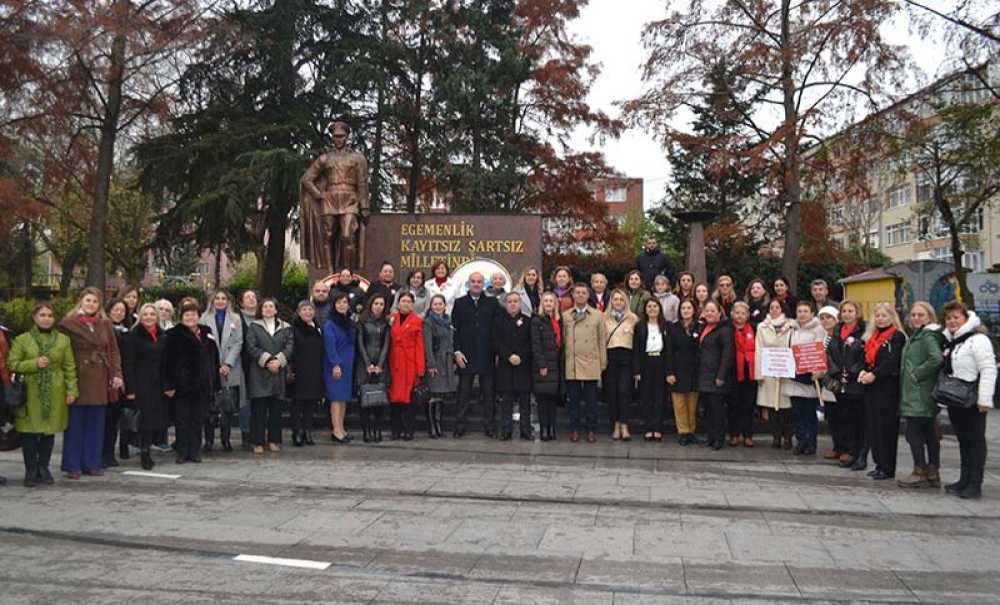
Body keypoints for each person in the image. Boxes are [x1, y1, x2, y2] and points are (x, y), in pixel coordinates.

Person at [8, 303, 78, 486]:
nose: (46, 318)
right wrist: (33, 363)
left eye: (50, 315)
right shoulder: (22, 339)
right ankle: (31, 470)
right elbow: (12, 364)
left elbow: (69, 367)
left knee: (49, 431)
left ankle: (43, 468)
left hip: (55, 390)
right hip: (30, 391)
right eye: (42, 315)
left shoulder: (63, 340)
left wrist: (72, 390)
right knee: (29, 433)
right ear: (34, 317)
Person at [59, 287, 123, 479]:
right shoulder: (68, 324)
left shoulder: (105, 324)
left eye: (95, 302)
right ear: (81, 301)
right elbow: (63, 351)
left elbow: (113, 350)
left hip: (101, 377)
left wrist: (117, 373)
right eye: (88, 301)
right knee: (75, 423)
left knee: (96, 423)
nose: (91, 305)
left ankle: (92, 462)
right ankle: (72, 464)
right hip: (78, 375)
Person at [938, 301, 995, 499]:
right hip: (957, 399)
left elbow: (988, 368)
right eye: (949, 318)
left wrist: (985, 398)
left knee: (975, 441)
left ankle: (974, 483)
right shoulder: (953, 340)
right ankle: (964, 479)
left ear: (966, 318)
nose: (952, 321)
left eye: (956, 317)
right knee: (963, 440)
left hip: (974, 399)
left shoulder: (978, 339)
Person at [163, 298, 219, 464]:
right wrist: (169, 385)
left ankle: (195, 451)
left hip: (202, 385)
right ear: (181, 317)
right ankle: (182, 452)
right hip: (181, 386)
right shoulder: (172, 335)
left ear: (199, 316)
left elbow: (214, 358)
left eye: (193, 314)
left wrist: (215, 383)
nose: (190, 318)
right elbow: (166, 362)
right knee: (182, 420)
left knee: (197, 420)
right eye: (186, 315)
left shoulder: (207, 332)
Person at [897, 302, 944, 489]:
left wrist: (917, 373)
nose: (916, 318)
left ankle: (920, 470)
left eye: (921, 315)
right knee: (929, 432)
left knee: (913, 433)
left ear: (929, 317)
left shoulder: (927, 336)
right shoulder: (919, 335)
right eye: (914, 315)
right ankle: (933, 470)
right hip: (919, 391)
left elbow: (936, 358)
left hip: (920, 392)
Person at [858, 302, 906, 480]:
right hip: (872, 386)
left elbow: (892, 361)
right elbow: (867, 357)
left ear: (892, 317)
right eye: (877, 315)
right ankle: (878, 463)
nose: (880, 318)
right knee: (874, 426)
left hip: (887, 387)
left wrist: (875, 374)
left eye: (884, 315)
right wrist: (864, 370)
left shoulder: (897, 336)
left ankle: (887, 466)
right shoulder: (872, 336)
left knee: (886, 428)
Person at [451, 272, 501, 437]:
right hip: (465, 355)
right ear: (468, 284)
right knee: (463, 394)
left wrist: (497, 353)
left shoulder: (492, 303)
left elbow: (497, 330)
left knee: (488, 394)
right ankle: (460, 426)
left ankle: (490, 426)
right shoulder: (459, 303)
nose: (476, 284)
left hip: (487, 354)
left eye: (479, 282)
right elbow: (454, 331)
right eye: (473, 281)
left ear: (483, 284)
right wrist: (457, 352)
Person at [245, 298, 294, 454]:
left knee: (275, 409)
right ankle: (257, 441)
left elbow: (290, 346)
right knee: (259, 409)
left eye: (271, 306)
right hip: (259, 372)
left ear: (276, 310)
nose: (268, 309)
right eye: (265, 306)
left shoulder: (286, 327)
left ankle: (274, 440)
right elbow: (251, 346)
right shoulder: (254, 327)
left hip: (278, 372)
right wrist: (267, 361)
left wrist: (278, 362)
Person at [123, 304, 169, 470]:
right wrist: (130, 389)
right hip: (140, 383)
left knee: (153, 420)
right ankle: (143, 452)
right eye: (145, 314)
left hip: (157, 384)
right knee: (142, 420)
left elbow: (166, 362)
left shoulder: (163, 336)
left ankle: (148, 448)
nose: (149, 317)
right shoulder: (132, 336)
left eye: (152, 314)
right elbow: (128, 364)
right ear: (140, 317)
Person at [786, 301, 834, 456]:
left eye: (805, 311)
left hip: (809, 377)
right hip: (794, 376)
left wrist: (818, 370)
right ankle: (800, 441)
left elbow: (820, 351)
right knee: (797, 413)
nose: (802, 314)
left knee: (809, 413)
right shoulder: (792, 329)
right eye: (799, 311)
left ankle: (810, 443)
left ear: (812, 313)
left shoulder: (819, 329)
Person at [199, 290, 244, 453]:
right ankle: (209, 440)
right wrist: (215, 364)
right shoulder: (203, 318)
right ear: (212, 301)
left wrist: (227, 364)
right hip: (210, 367)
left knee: (228, 407)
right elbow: (203, 343)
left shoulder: (236, 319)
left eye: (223, 298)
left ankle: (226, 439)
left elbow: (239, 342)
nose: (220, 301)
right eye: (216, 298)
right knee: (210, 405)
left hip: (230, 368)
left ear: (228, 301)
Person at [563, 283, 607, 443]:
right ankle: (574, 429)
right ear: (573, 295)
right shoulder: (566, 315)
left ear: (588, 296)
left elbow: (602, 340)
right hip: (573, 363)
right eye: (577, 293)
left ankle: (591, 429)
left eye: (583, 293)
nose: (580, 295)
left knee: (591, 401)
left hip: (591, 362)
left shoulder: (597, 315)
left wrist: (602, 363)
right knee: (573, 400)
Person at [826, 301, 867, 470]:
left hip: (855, 381)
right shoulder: (836, 331)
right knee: (844, 417)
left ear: (857, 313)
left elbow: (865, 355)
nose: (847, 314)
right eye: (844, 311)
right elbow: (828, 354)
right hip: (839, 382)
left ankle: (857, 453)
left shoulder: (863, 332)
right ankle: (847, 450)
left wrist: (851, 373)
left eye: (851, 311)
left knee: (857, 420)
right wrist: (836, 373)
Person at [492, 292, 533, 440]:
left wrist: (520, 356)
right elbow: (496, 342)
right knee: (506, 402)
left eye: (516, 301)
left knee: (525, 402)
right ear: (505, 304)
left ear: (520, 303)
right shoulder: (498, 321)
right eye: (510, 301)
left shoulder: (528, 321)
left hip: (523, 366)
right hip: (505, 366)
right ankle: (506, 430)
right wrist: (509, 356)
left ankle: (526, 430)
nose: (513, 304)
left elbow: (531, 343)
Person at [755, 299, 793, 449]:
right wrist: (759, 374)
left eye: (777, 307)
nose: (774, 310)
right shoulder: (762, 326)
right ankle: (776, 437)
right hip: (769, 371)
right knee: (771, 408)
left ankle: (788, 436)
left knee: (786, 408)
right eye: (772, 307)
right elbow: (758, 349)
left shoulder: (791, 325)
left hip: (785, 371)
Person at [388, 292, 425, 440]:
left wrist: (420, 368)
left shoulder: (417, 321)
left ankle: (408, 430)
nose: (406, 304)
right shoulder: (392, 319)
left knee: (409, 399)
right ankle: (395, 430)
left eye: (409, 301)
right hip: (394, 362)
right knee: (394, 398)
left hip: (410, 363)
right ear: (398, 303)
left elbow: (420, 346)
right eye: (403, 301)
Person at [698, 301, 733, 450]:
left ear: (720, 313)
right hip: (704, 375)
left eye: (713, 311)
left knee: (717, 410)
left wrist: (721, 375)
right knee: (708, 410)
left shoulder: (725, 330)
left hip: (716, 376)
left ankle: (719, 439)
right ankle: (711, 437)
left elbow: (727, 355)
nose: (710, 313)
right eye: (707, 311)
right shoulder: (704, 327)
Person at [604, 289, 638, 441]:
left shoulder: (633, 319)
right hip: (610, 358)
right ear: (611, 301)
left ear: (626, 302)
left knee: (624, 391)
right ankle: (615, 424)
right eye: (615, 299)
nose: (618, 302)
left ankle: (624, 424)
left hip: (626, 359)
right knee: (612, 393)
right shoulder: (604, 319)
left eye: (621, 299)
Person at [290, 301, 325, 447]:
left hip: (315, 370)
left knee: (311, 404)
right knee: (298, 404)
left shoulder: (318, 328)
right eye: (304, 310)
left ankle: (307, 431)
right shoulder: (294, 329)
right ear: (299, 312)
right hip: (299, 370)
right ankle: (296, 432)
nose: (308, 312)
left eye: (310, 309)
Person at [634, 298, 669, 442]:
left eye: (655, 306)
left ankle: (658, 428)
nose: (652, 309)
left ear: (659, 308)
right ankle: (648, 428)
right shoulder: (640, 326)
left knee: (659, 397)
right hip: (645, 362)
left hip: (660, 362)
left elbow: (669, 350)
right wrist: (636, 370)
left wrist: (669, 370)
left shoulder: (666, 326)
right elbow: (636, 349)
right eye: (649, 306)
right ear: (645, 309)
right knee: (646, 396)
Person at [666, 299, 701, 446]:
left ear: (694, 310)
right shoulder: (673, 328)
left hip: (695, 370)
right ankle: (683, 431)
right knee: (679, 403)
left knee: (692, 403)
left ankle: (691, 431)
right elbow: (669, 351)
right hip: (678, 369)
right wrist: (669, 372)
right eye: (683, 308)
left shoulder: (699, 327)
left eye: (689, 308)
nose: (686, 310)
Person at [357, 294, 390, 443]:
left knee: (379, 400)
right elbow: (360, 344)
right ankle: (366, 430)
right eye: (376, 303)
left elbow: (386, 345)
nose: (378, 307)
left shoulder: (386, 323)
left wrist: (379, 365)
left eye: (381, 304)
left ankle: (377, 430)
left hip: (380, 365)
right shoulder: (363, 321)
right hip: (364, 365)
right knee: (365, 400)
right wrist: (368, 364)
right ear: (370, 305)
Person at [323, 293, 355, 444]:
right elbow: (330, 346)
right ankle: (336, 430)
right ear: (333, 305)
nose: (342, 305)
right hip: (336, 365)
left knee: (343, 398)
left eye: (345, 302)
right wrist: (335, 364)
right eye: (339, 302)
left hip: (348, 364)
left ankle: (341, 428)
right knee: (336, 398)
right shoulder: (329, 324)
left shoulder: (348, 322)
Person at [423, 294, 457, 439]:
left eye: (440, 304)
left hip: (447, 361)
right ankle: (432, 427)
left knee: (441, 396)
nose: (438, 307)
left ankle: (439, 425)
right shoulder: (428, 322)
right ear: (431, 306)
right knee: (434, 394)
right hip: (436, 361)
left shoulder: (448, 321)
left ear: (444, 305)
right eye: (435, 304)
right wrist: (431, 364)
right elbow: (427, 344)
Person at [531, 292, 563, 441]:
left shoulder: (558, 320)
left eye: (551, 301)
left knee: (552, 399)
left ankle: (552, 428)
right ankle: (544, 428)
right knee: (542, 399)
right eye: (546, 301)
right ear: (542, 304)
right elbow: (535, 345)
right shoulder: (537, 321)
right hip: (543, 366)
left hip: (556, 364)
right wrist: (541, 364)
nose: (549, 303)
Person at [104, 299, 130, 468]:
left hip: (121, 380)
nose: (119, 313)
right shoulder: (103, 329)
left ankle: (108, 453)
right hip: (104, 379)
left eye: (122, 310)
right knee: (103, 420)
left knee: (114, 420)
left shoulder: (127, 331)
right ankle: (99, 453)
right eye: (116, 309)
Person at [728, 301, 757, 448]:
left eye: (743, 313)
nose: (740, 316)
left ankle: (748, 435)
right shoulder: (727, 328)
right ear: (732, 314)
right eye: (737, 313)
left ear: (748, 315)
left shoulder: (755, 328)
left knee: (749, 405)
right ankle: (734, 434)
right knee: (734, 405)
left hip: (750, 373)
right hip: (733, 372)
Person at [236, 290, 259, 448]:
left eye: (253, 297)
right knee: (245, 400)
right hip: (243, 364)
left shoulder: (263, 317)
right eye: (247, 297)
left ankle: (258, 433)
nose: (251, 299)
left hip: (260, 365)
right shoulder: (237, 319)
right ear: (241, 302)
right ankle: (246, 434)